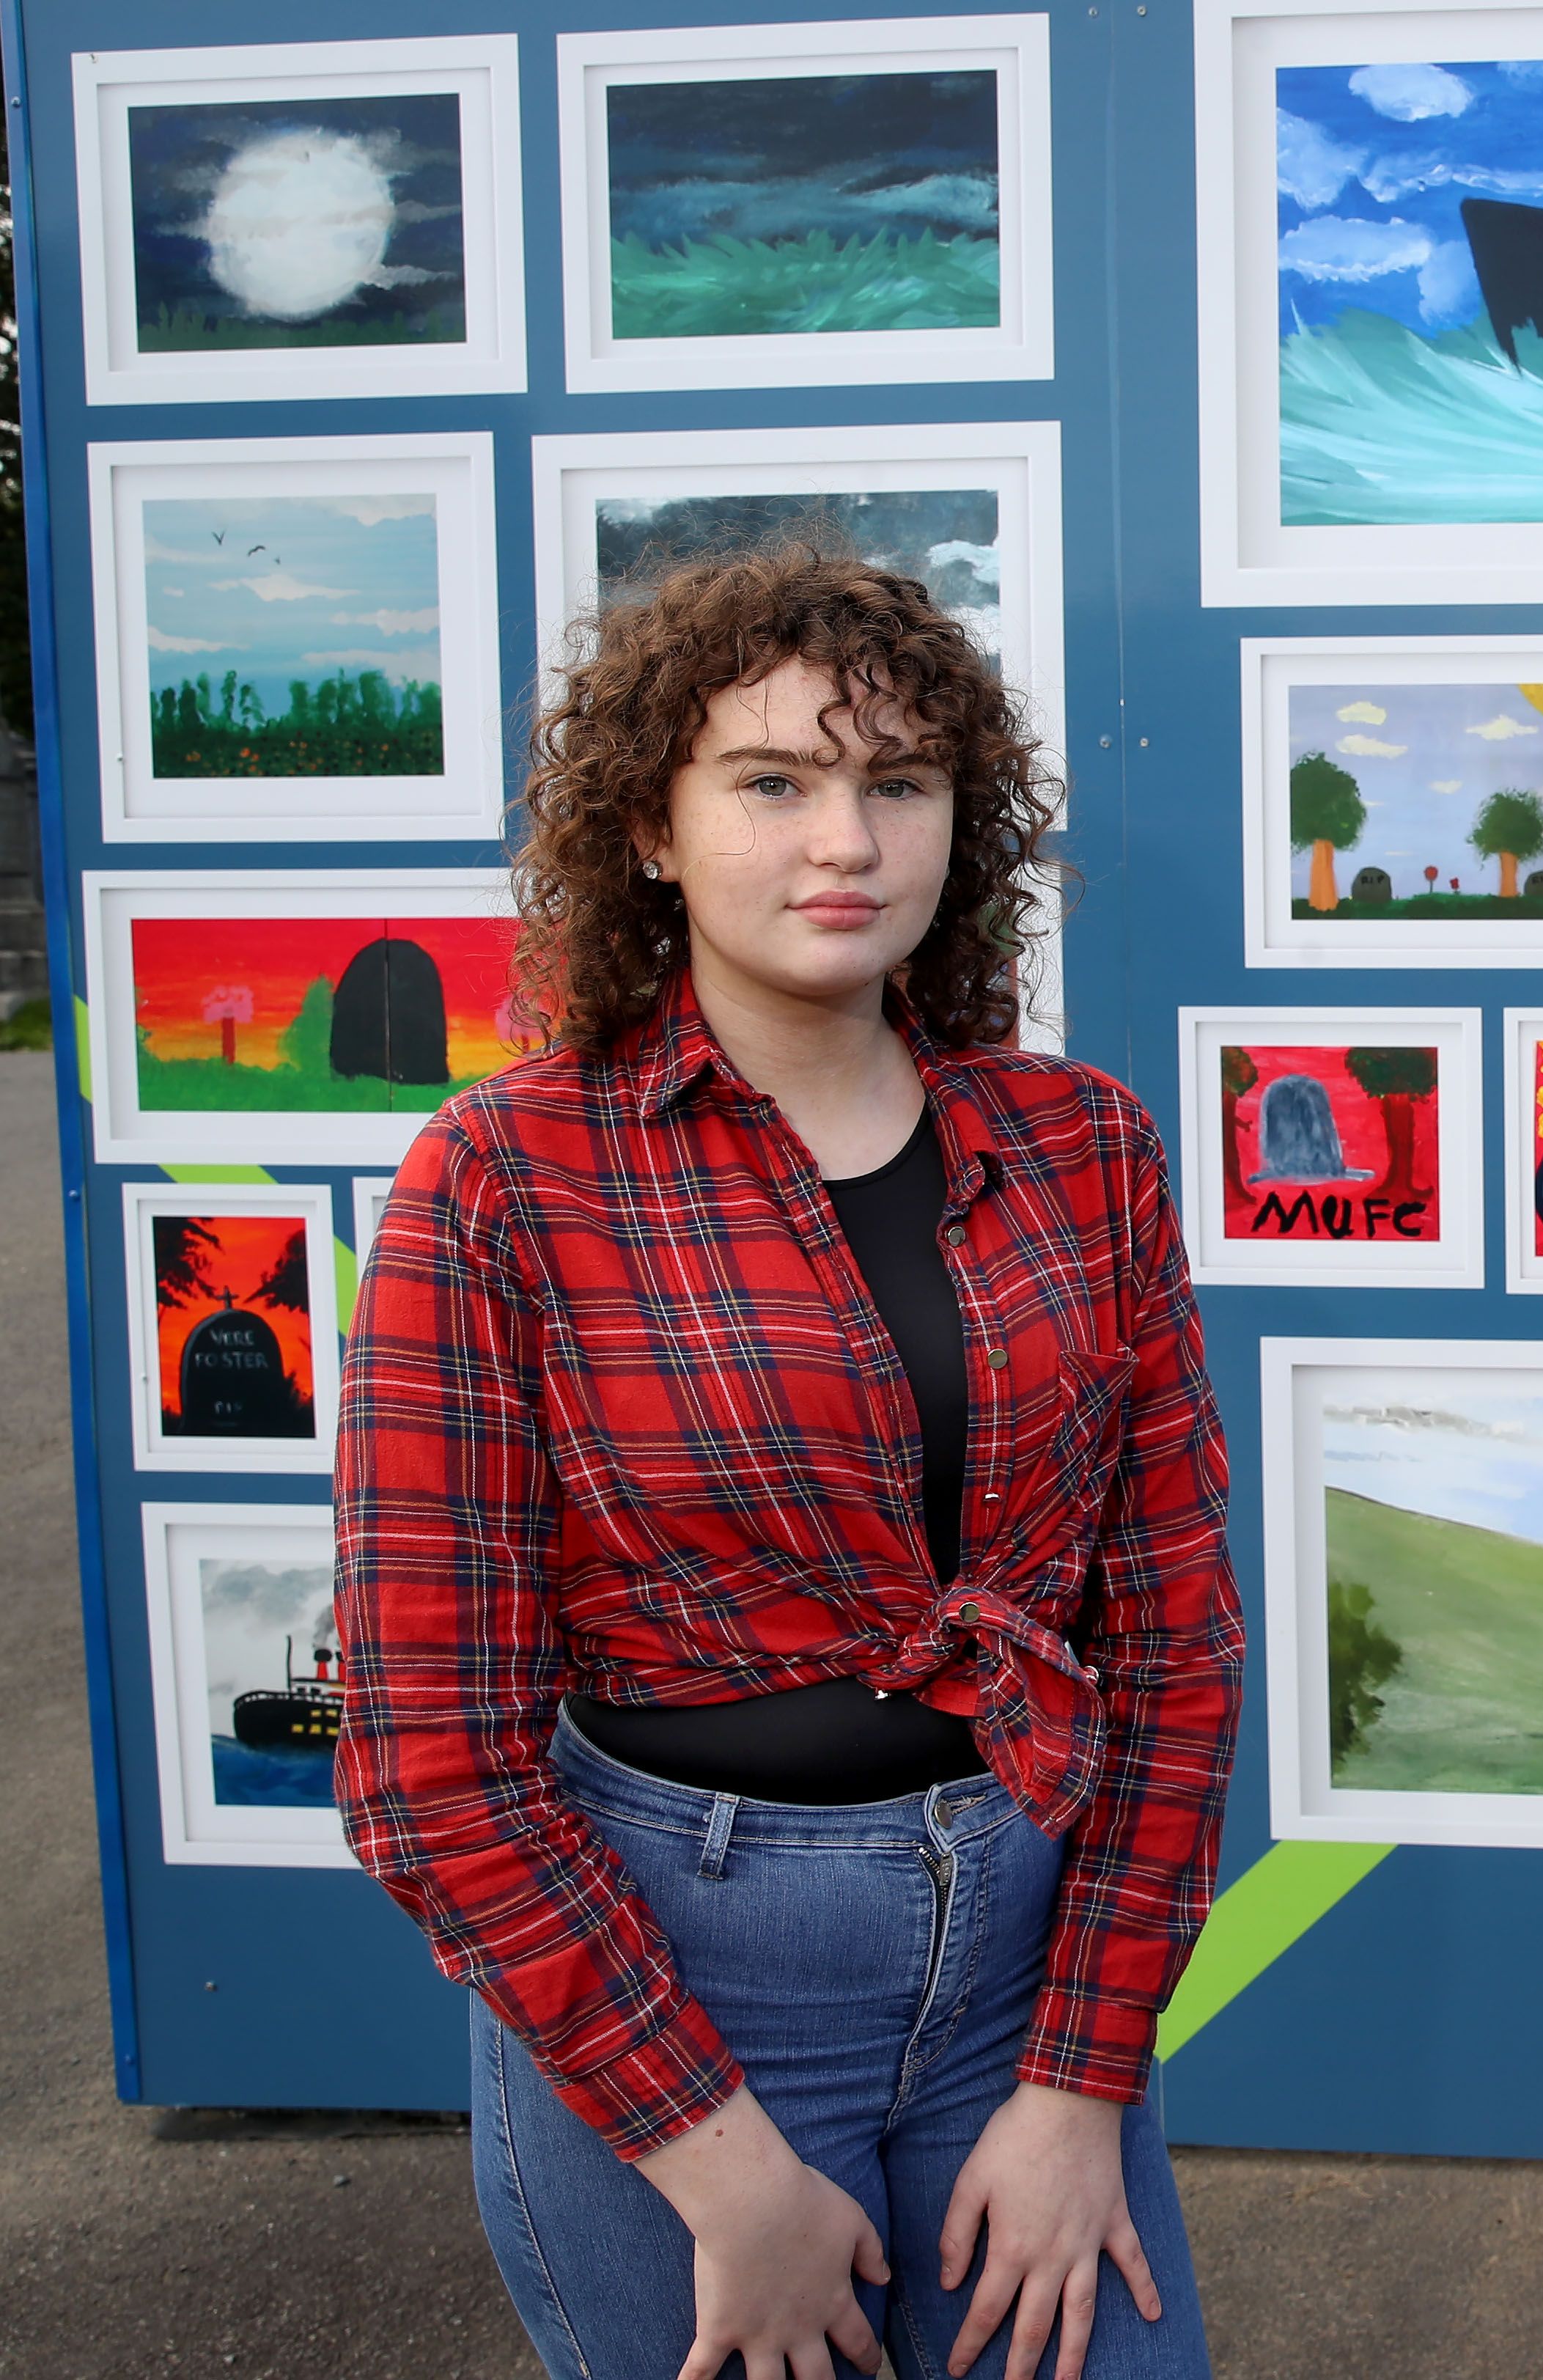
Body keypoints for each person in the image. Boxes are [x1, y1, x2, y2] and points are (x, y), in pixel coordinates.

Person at [336, 551, 1239, 2380]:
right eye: (773, 782)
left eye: (897, 784)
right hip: (673, 1996)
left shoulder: (1085, 1144)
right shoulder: (508, 1177)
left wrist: (1081, 2081)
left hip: (1025, 1962)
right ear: (652, 834)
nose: (849, 840)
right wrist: (723, 2174)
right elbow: (427, 1756)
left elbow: (1177, 1651)